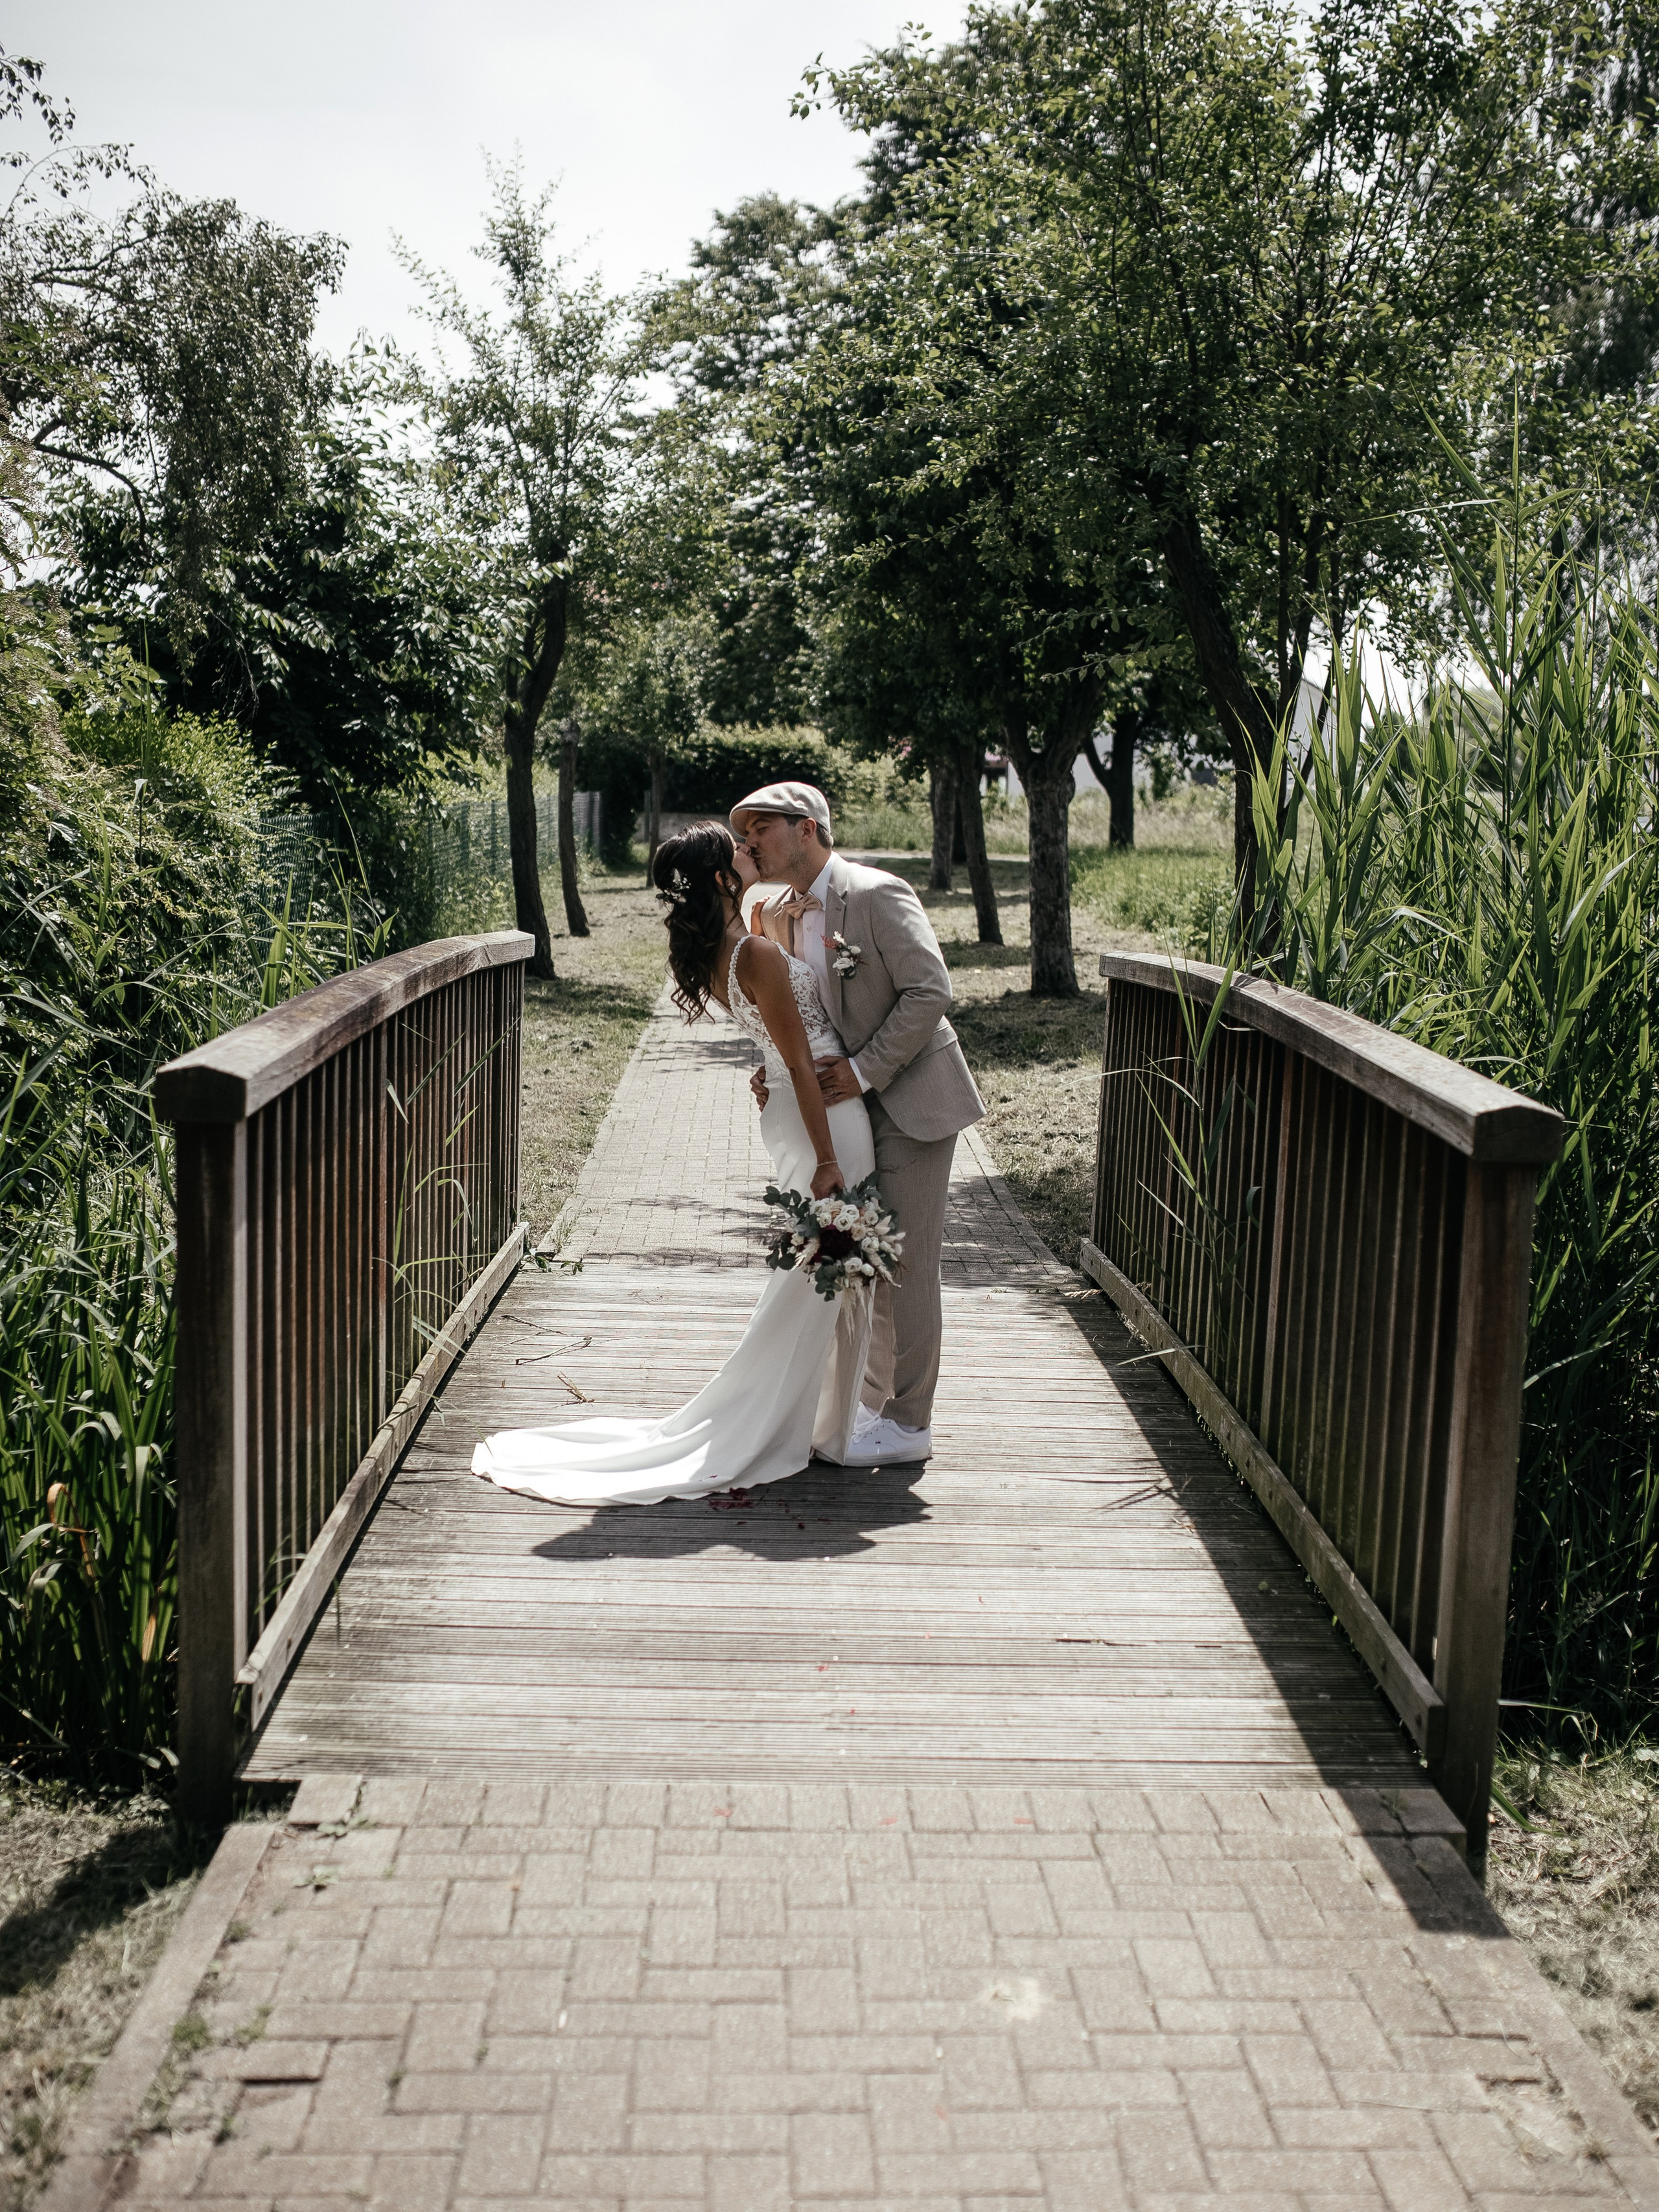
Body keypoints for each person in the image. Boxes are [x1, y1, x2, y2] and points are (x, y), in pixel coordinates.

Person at [470, 822, 877, 1506]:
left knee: (820, 1272)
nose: (751, 852)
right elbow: (802, 1059)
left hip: (789, 1109)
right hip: (820, 1123)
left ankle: (818, 1419)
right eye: (740, 852)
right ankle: (783, 1421)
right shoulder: (753, 950)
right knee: (820, 1271)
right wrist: (829, 1159)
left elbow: (781, 1041)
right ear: (722, 877)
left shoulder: (730, 949)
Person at [734, 780, 984, 1465]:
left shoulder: (875, 893)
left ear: (807, 827)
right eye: (744, 829)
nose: (749, 839)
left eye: (761, 825)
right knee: (859, 1261)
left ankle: (909, 1424)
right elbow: (801, 1014)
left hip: (910, 1099)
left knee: (906, 1260)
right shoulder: (778, 913)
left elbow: (931, 989)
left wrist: (867, 1069)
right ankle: (869, 1405)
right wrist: (778, 1071)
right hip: (843, 1114)